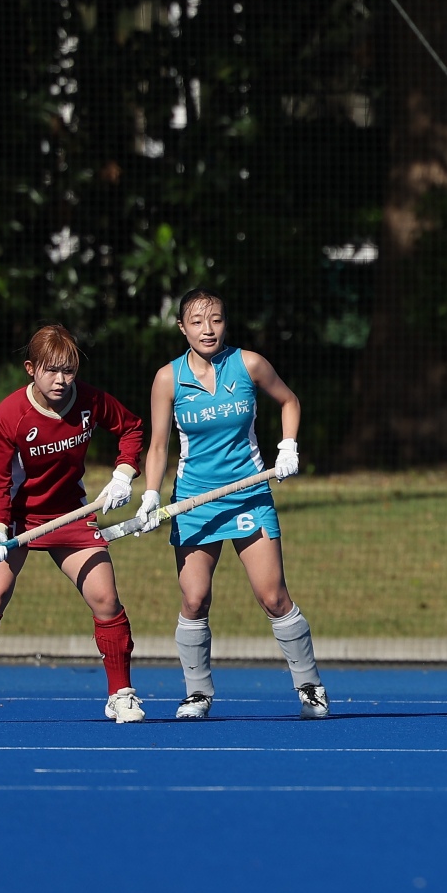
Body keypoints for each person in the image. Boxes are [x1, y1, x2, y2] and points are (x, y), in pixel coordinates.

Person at [137, 289, 320, 721]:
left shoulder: (249, 364)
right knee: (195, 599)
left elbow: (289, 401)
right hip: (194, 501)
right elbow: (159, 446)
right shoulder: (167, 378)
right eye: (197, 322)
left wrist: (288, 446)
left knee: (273, 596)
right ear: (182, 328)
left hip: (248, 496)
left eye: (216, 320)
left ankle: (310, 686)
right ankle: (197, 694)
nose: (208, 329)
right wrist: (150, 494)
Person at [0, 324, 149, 724]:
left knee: (105, 598)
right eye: (51, 371)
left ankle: (121, 694)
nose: (61, 380)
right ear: (31, 369)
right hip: (15, 517)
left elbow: (131, 428)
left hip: (69, 513)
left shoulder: (90, 400)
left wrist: (124, 474)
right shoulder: (10, 415)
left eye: (69, 370)